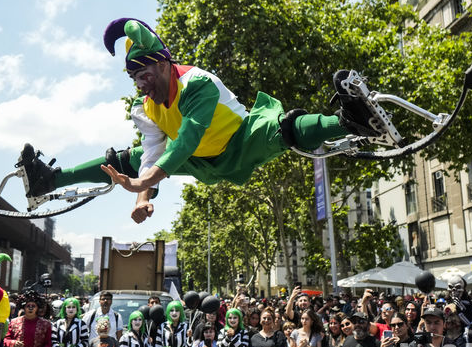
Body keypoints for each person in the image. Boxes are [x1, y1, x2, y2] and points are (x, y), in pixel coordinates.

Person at [20, 18, 381, 224]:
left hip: (238, 143)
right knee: (125, 159)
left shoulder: (197, 85)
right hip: (200, 163)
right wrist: (141, 198)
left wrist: (144, 180)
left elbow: (186, 140)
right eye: (131, 75)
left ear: (163, 63)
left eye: (142, 71)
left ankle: (351, 120)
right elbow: (152, 154)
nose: (138, 81)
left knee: (284, 128)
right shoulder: (145, 106)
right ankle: (47, 181)